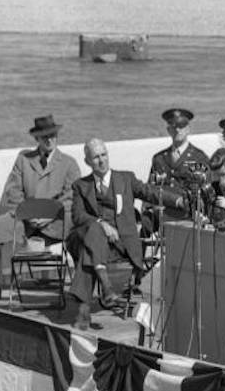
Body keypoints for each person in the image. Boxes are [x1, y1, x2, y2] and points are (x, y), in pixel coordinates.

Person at [70, 139, 183, 330]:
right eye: (96, 157)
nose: (101, 161)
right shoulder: (80, 186)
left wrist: (177, 200)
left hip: (120, 245)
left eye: (104, 155)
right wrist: (102, 224)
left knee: (86, 251)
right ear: (87, 161)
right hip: (95, 240)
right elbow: (77, 215)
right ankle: (106, 288)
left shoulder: (125, 179)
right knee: (94, 233)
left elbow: (149, 192)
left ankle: (84, 306)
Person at [0, 115, 81, 303]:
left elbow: (71, 197)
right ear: (37, 139)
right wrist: (29, 215)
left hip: (55, 224)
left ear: (57, 136)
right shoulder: (24, 159)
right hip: (26, 222)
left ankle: (81, 286)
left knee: (78, 227)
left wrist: (49, 216)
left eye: (52, 135)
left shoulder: (69, 164)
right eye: (44, 137)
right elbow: (14, 190)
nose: (49, 140)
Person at [149, 108, 209, 219]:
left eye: (181, 127)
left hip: (187, 217)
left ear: (188, 129)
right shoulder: (159, 158)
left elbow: (206, 191)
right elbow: (150, 189)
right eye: (173, 127)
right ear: (168, 130)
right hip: (162, 216)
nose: (177, 130)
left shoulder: (199, 157)